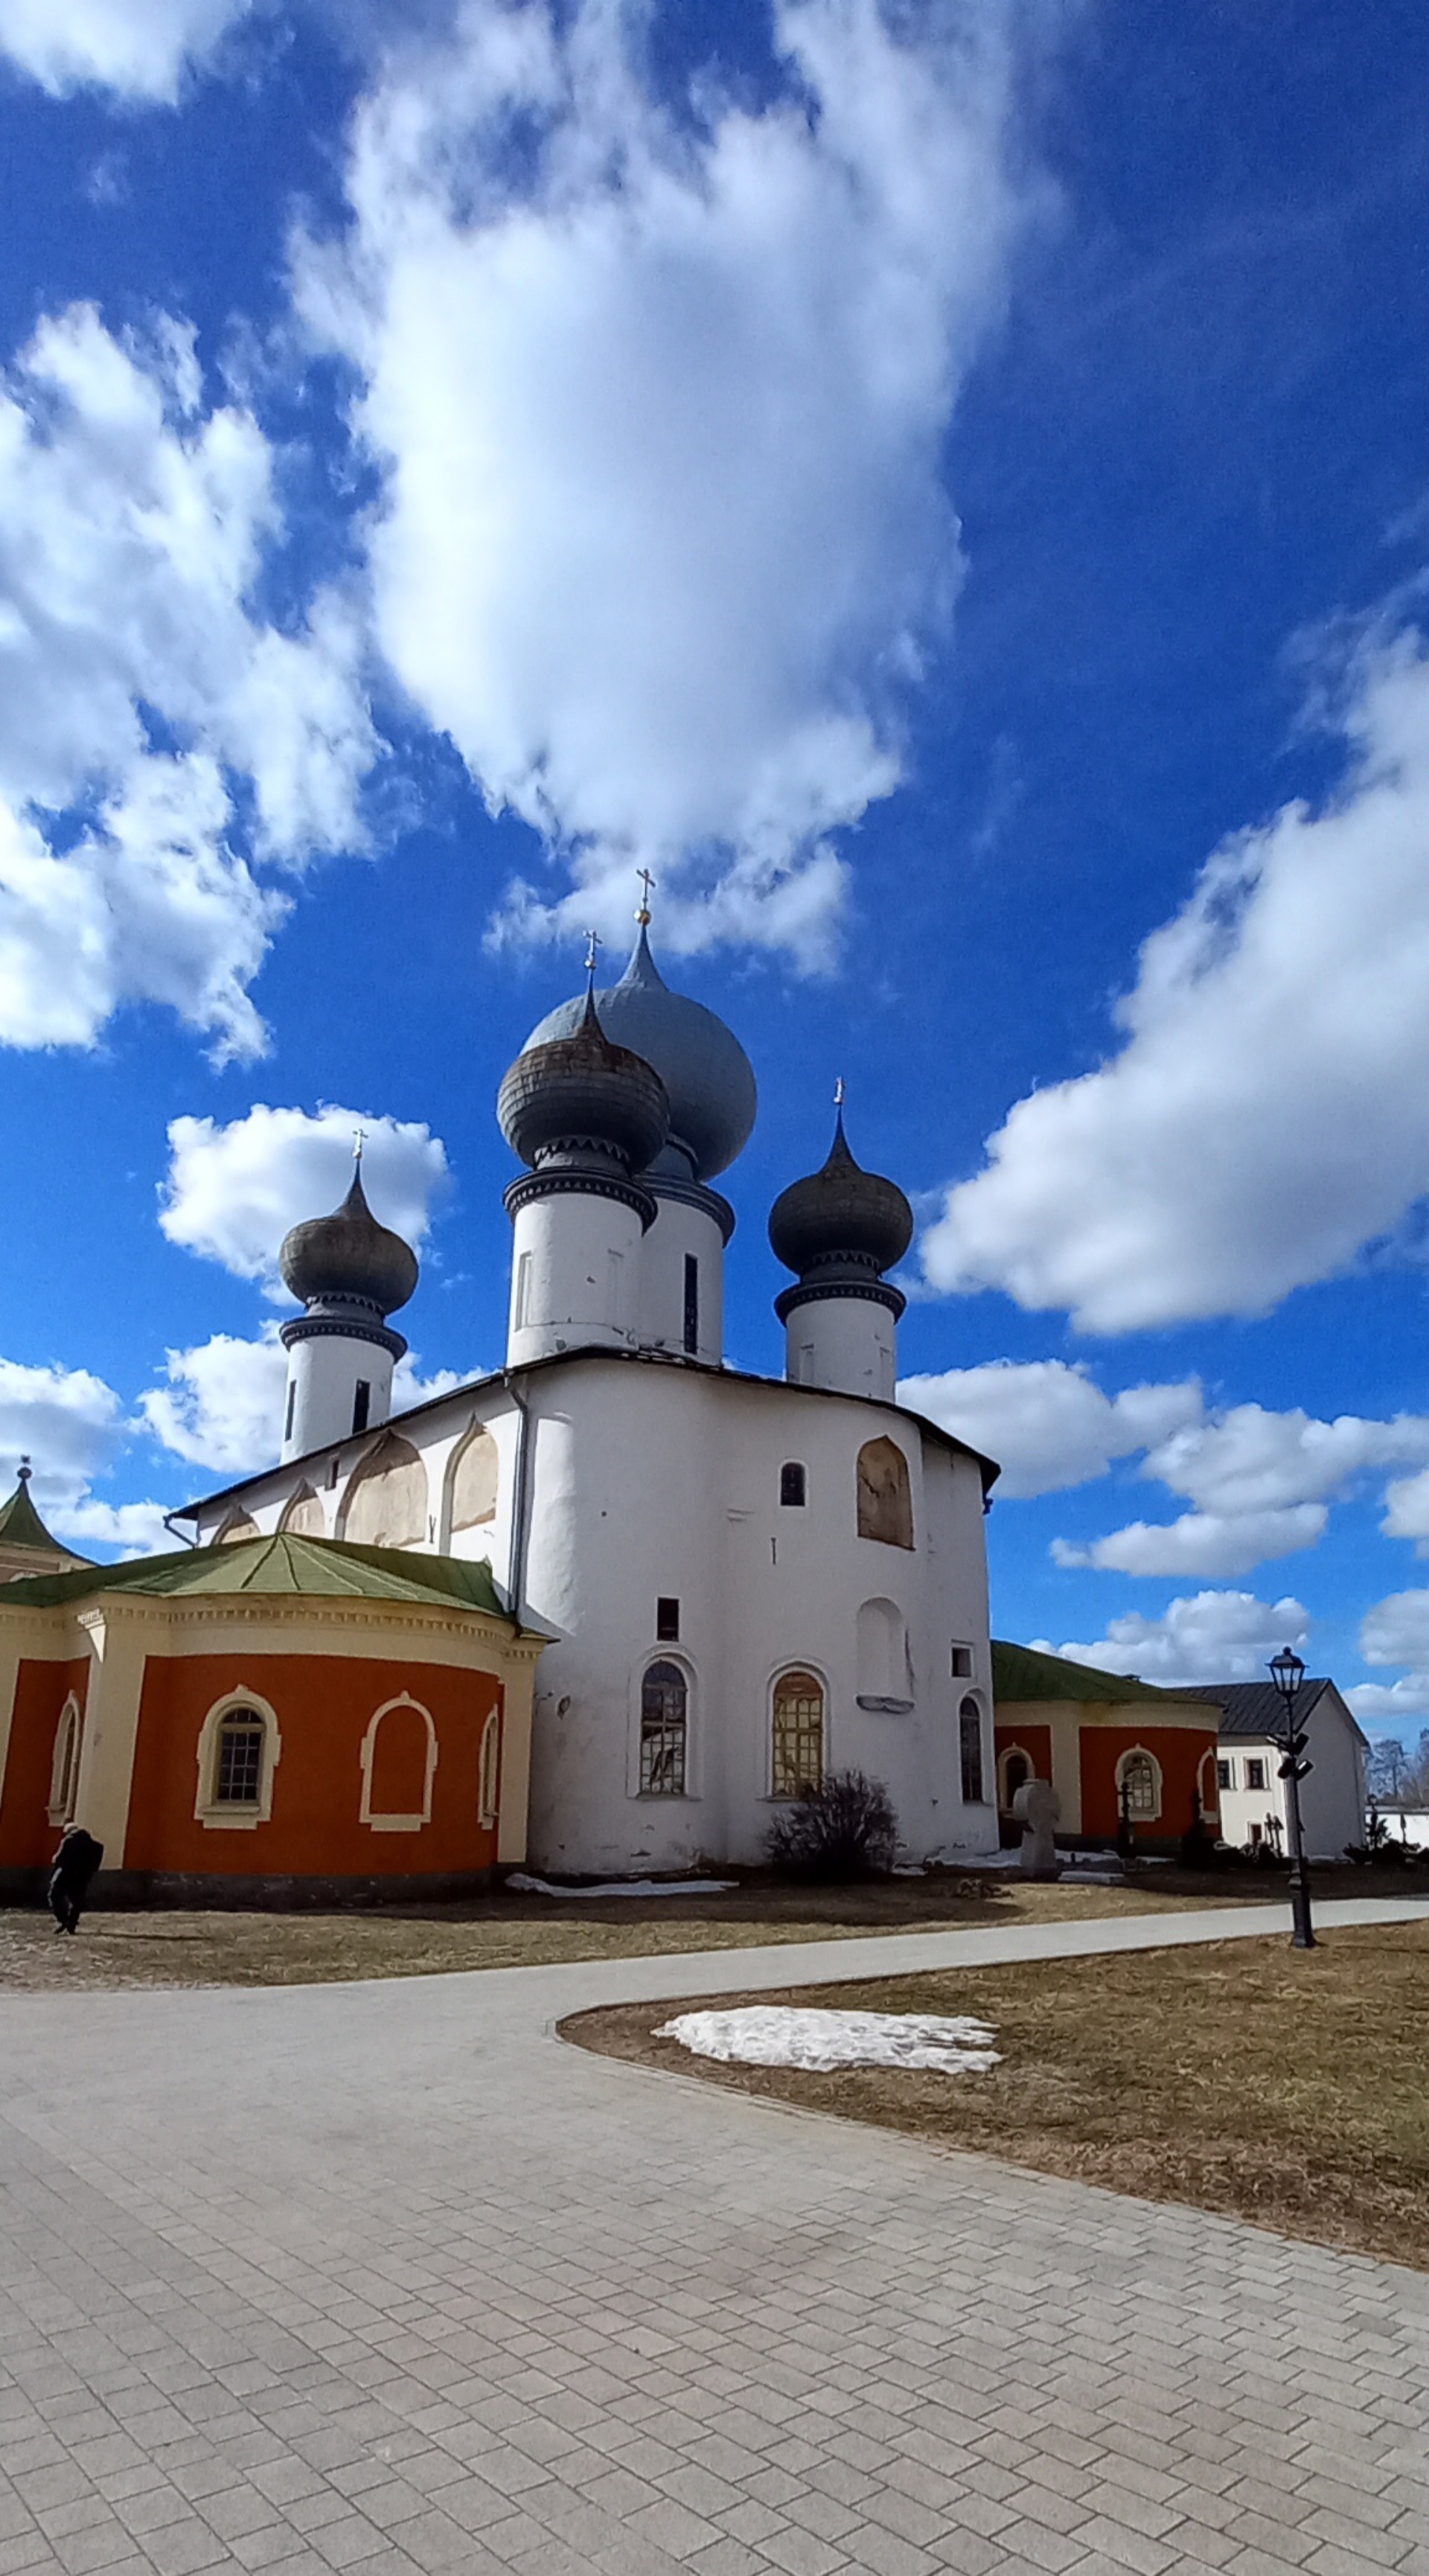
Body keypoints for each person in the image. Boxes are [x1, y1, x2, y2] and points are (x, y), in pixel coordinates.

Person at [48, 1824, 104, 1935]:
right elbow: (95, 1865)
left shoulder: (68, 1841)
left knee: (54, 1896)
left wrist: (55, 1861)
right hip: (83, 1877)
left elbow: (59, 1859)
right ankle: (71, 1924)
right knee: (76, 1901)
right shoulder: (96, 1846)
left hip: (65, 1875)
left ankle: (64, 1920)